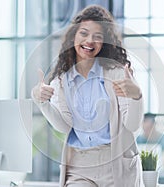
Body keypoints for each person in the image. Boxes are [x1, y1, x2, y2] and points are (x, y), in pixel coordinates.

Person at [32, 5, 144, 187]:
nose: (89, 41)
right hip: (79, 166)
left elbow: (131, 126)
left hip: (115, 165)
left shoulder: (117, 73)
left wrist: (136, 96)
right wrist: (42, 102)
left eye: (97, 36)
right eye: (84, 33)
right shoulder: (61, 81)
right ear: (73, 36)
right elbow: (64, 126)